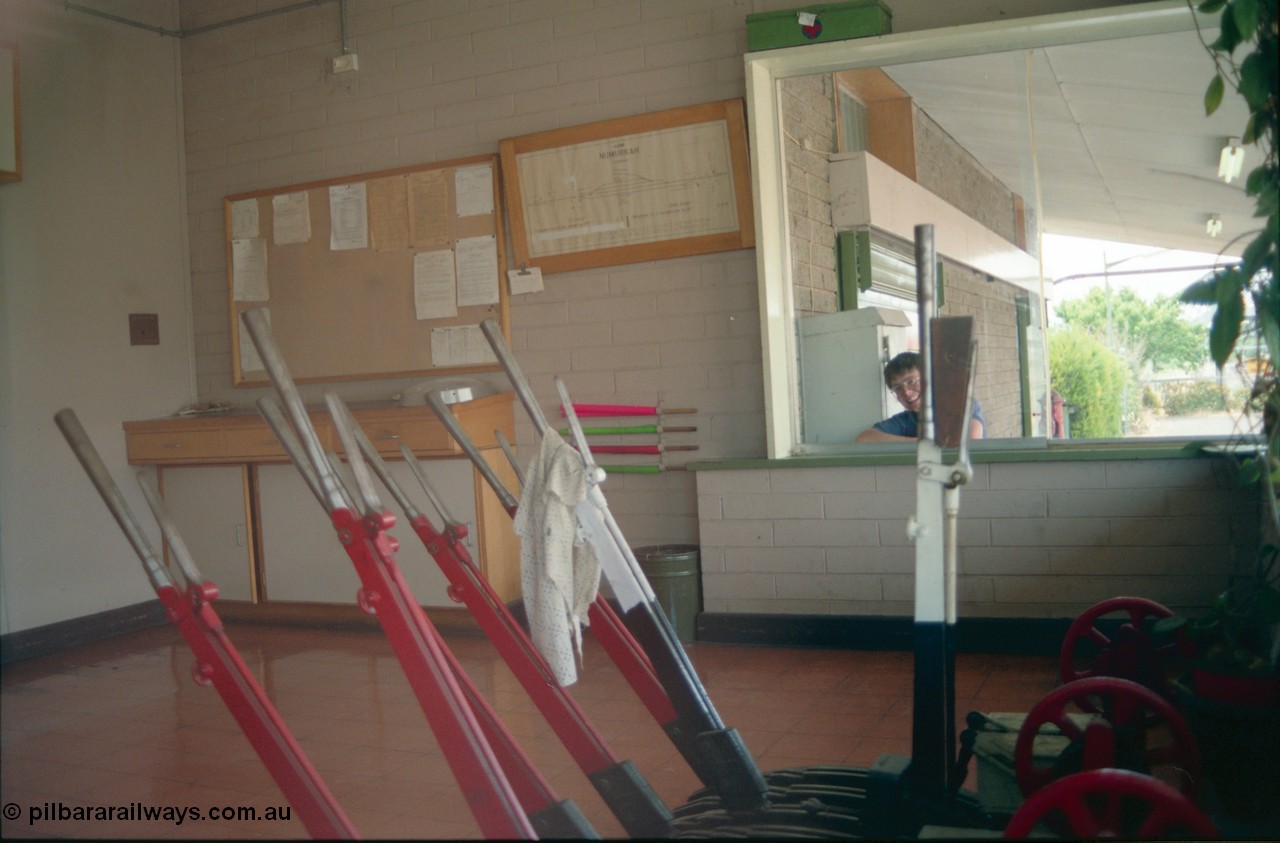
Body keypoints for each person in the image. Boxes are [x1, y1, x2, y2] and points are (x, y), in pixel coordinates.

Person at [856, 351, 985, 442]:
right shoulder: (907, 420)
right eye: (897, 388)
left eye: (911, 381)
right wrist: (918, 442)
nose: (906, 392)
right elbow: (865, 438)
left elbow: (971, 442)